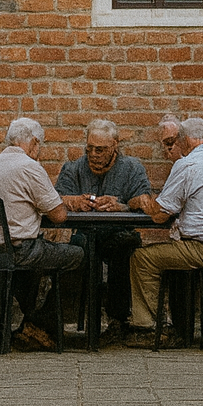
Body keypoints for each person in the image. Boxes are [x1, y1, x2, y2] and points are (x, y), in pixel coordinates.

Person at [0, 116, 85, 351]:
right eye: (40, 145)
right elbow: (59, 216)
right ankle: (41, 322)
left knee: (37, 258)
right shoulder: (29, 167)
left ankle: (31, 321)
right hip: (19, 251)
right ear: (34, 142)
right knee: (79, 255)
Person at [125, 116, 203, 348]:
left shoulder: (187, 165)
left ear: (185, 140)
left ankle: (150, 328)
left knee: (142, 258)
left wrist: (140, 201)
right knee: (173, 250)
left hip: (201, 250)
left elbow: (159, 214)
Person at [56, 118, 151, 342]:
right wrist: (73, 201)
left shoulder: (132, 168)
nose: (93, 155)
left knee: (125, 246)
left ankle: (118, 320)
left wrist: (122, 206)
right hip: (85, 234)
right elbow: (56, 198)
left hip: (118, 234)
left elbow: (144, 201)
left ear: (114, 146)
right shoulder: (73, 168)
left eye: (100, 150)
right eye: (89, 149)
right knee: (77, 249)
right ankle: (62, 319)